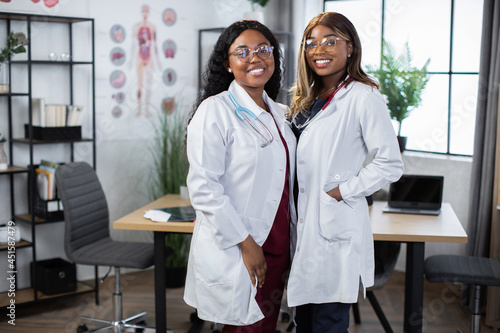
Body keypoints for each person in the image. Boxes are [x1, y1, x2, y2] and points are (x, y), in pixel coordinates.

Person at [287, 12, 404, 332]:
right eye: (311, 44)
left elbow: (391, 163)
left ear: (350, 47)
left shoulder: (364, 96)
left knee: (327, 321)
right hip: (302, 227)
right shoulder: (305, 99)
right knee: (305, 322)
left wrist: (341, 190)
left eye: (330, 41)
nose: (319, 50)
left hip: (333, 229)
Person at [183, 20, 297, 332]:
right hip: (243, 243)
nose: (255, 58)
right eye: (242, 52)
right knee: (247, 327)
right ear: (228, 63)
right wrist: (246, 244)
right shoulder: (215, 111)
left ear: (274, 56)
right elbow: (204, 189)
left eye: (263, 49)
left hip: (278, 242)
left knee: (264, 324)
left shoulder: (279, 113)